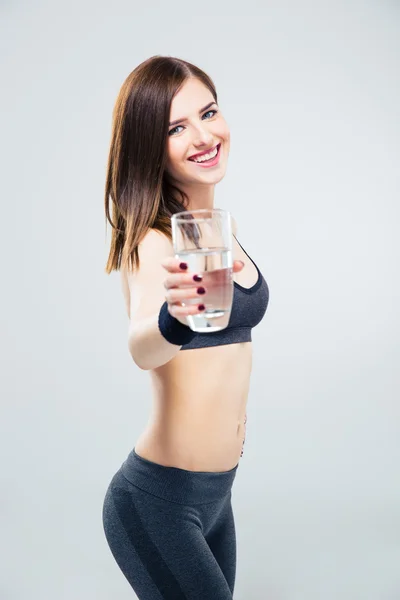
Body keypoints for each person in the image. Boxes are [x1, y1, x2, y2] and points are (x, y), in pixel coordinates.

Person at [102, 55, 270, 600]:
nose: (203, 135)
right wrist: (173, 318)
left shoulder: (222, 231)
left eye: (209, 112)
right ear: (151, 145)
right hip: (159, 502)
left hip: (218, 497)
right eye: (176, 127)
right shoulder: (151, 241)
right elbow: (141, 348)